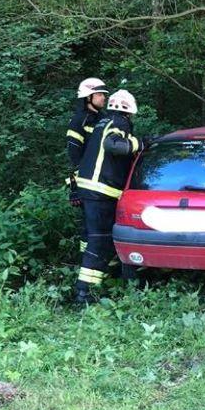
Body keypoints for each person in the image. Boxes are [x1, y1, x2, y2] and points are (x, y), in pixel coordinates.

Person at [74, 89, 141, 306]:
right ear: (129, 110)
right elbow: (114, 145)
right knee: (99, 241)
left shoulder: (104, 121)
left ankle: (96, 283)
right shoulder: (119, 123)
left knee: (93, 238)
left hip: (89, 188)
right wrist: (140, 144)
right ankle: (85, 294)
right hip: (100, 190)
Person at [66, 78, 109, 255]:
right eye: (99, 94)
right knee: (88, 224)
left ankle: (103, 257)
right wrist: (75, 187)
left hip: (104, 179)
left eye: (103, 95)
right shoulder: (78, 121)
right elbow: (74, 156)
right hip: (86, 182)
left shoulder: (104, 119)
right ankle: (86, 258)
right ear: (87, 97)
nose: (103, 98)